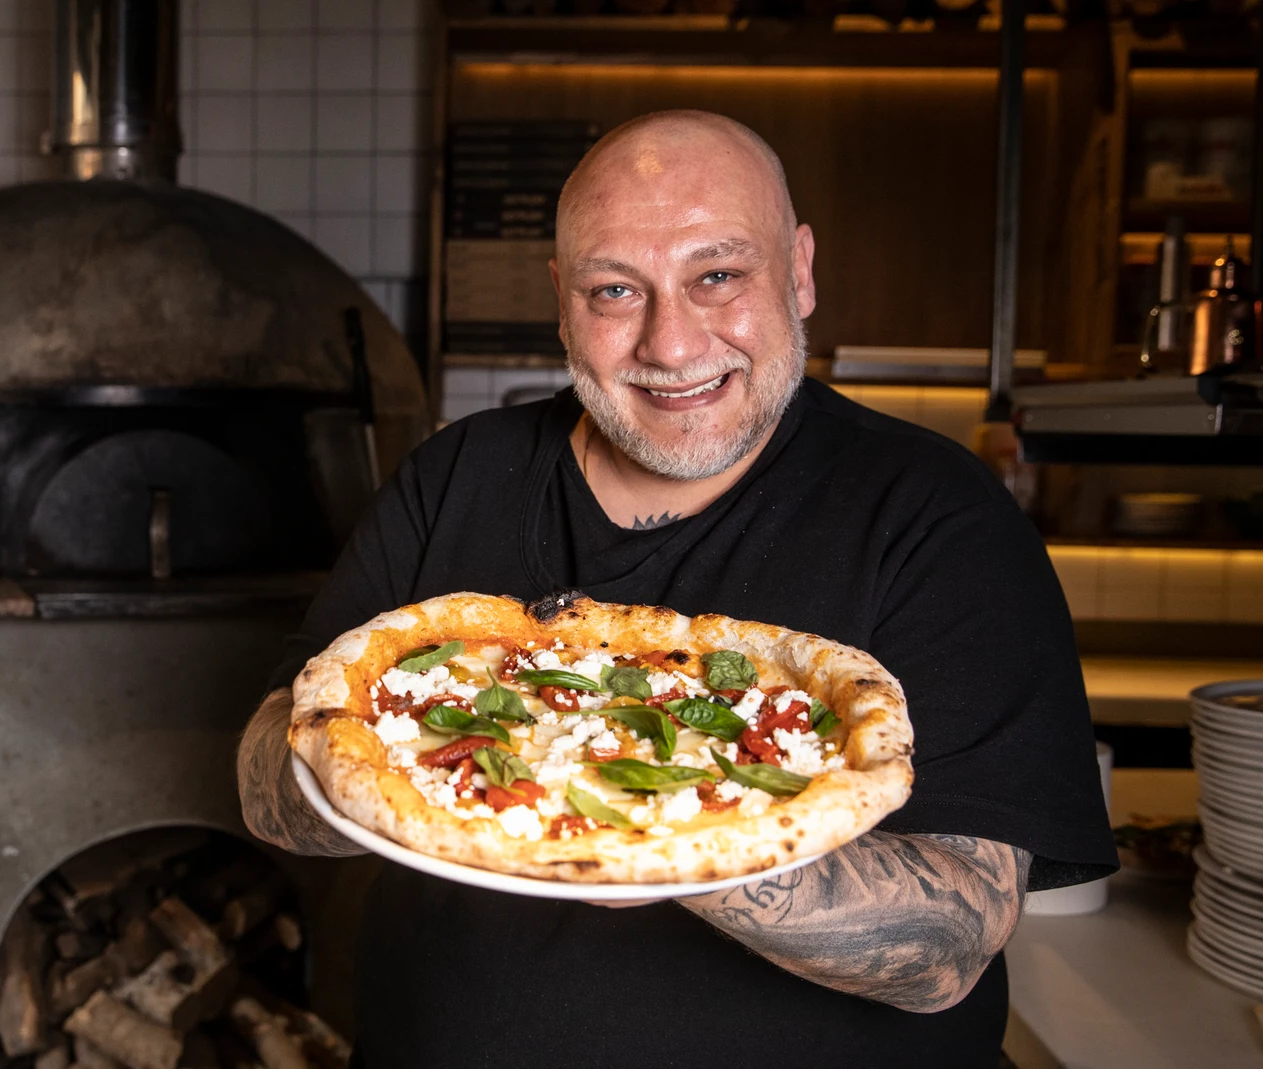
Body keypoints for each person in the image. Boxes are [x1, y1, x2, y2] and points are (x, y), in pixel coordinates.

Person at [237, 110, 1115, 1068]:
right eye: (616, 289)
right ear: (563, 304)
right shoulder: (457, 475)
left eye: (718, 276)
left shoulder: (937, 517)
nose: (672, 341)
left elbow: (948, 948)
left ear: (801, 271)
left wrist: (652, 824)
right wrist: (438, 766)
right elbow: (264, 781)